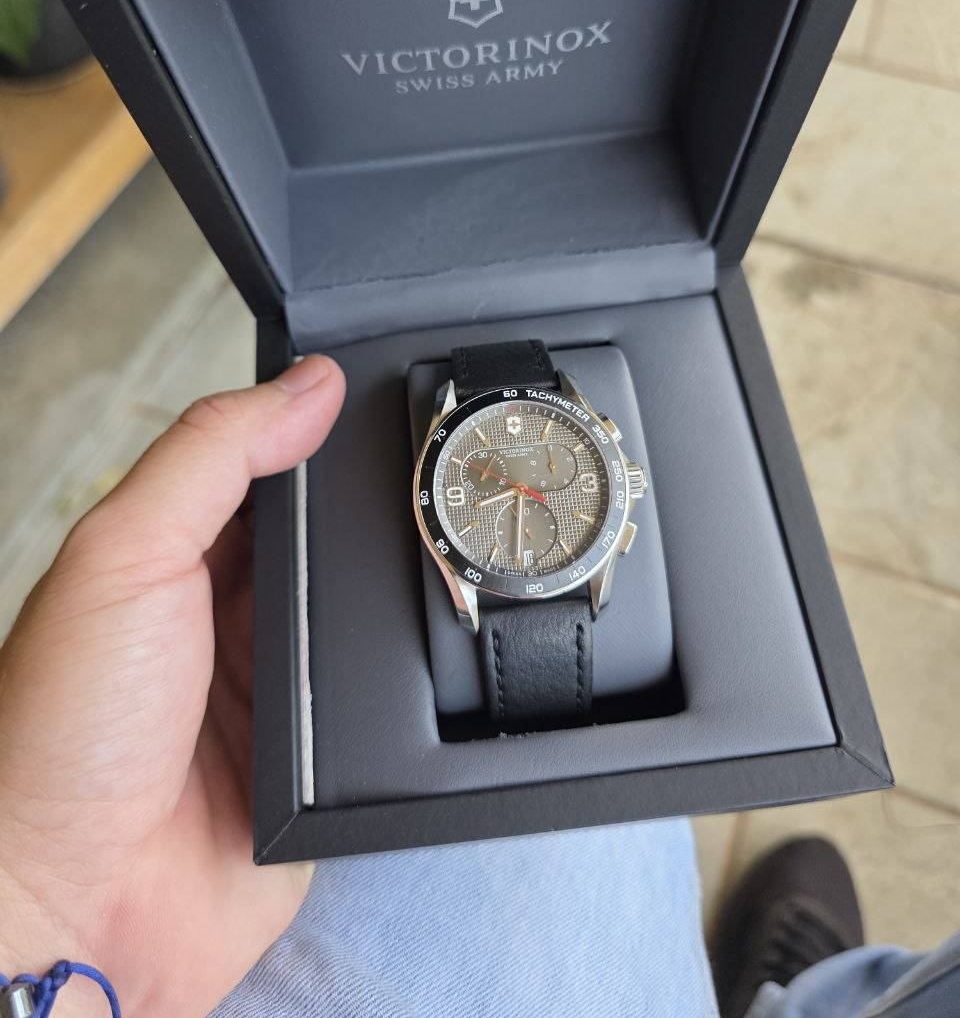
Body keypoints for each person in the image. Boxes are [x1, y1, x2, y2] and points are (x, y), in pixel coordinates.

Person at [0, 358, 956, 1018]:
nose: (531, 495)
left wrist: (38, 903)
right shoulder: (468, 512)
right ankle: (815, 998)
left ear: (618, 480)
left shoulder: (587, 514)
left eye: (557, 485)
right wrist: (42, 897)